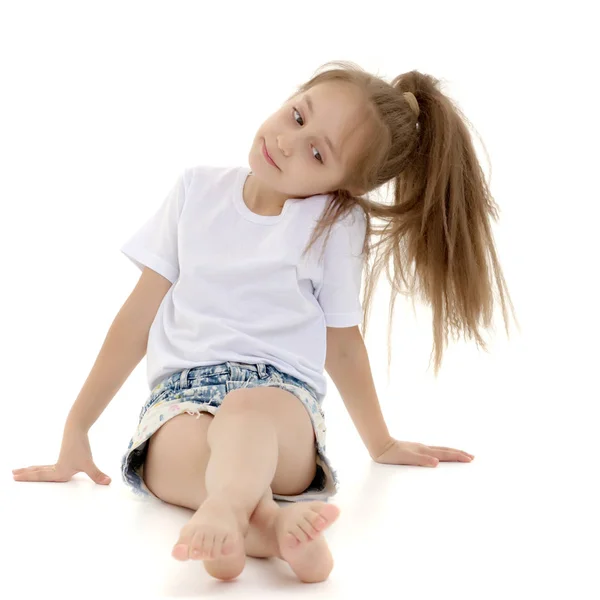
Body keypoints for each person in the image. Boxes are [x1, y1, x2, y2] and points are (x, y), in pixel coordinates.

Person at [12, 60, 518, 583]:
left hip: (281, 412)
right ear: (290, 98)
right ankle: (270, 531)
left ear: (342, 185)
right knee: (186, 454)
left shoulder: (335, 224)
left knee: (246, 411)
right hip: (179, 407)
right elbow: (135, 321)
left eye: (318, 153)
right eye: (297, 117)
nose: (288, 143)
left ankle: (228, 510)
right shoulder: (195, 192)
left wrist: (381, 442)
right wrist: (77, 425)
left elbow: (342, 346)